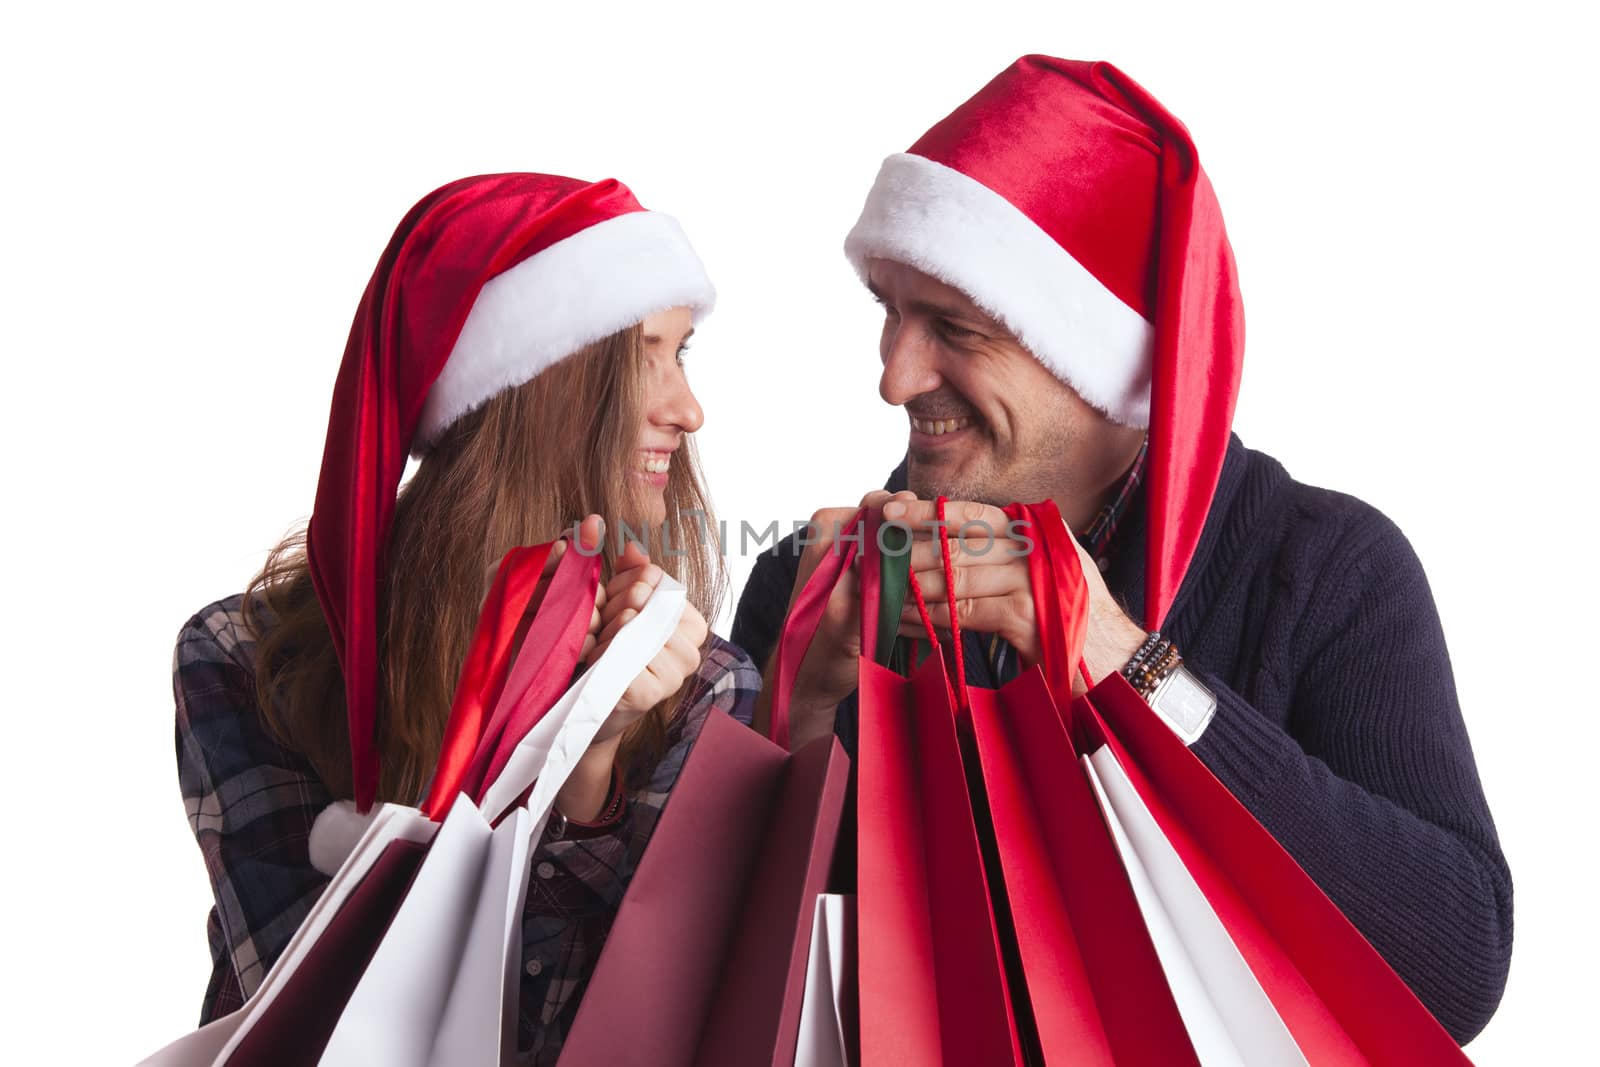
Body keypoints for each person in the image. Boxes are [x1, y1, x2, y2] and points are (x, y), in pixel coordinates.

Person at [732, 56, 1511, 1043]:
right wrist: (797, 714)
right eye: (888, 308)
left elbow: (1453, 969)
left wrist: (1131, 666)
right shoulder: (818, 583)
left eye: (954, 327)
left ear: (1106, 358)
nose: (892, 376)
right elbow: (734, 985)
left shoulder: (1322, 567)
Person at [172, 172, 758, 1065]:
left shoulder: (706, 686)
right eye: (649, 353)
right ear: (535, 385)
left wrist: (589, 760)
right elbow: (323, 1020)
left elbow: (610, 1040)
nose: (688, 409)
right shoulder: (245, 662)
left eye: (686, 353)